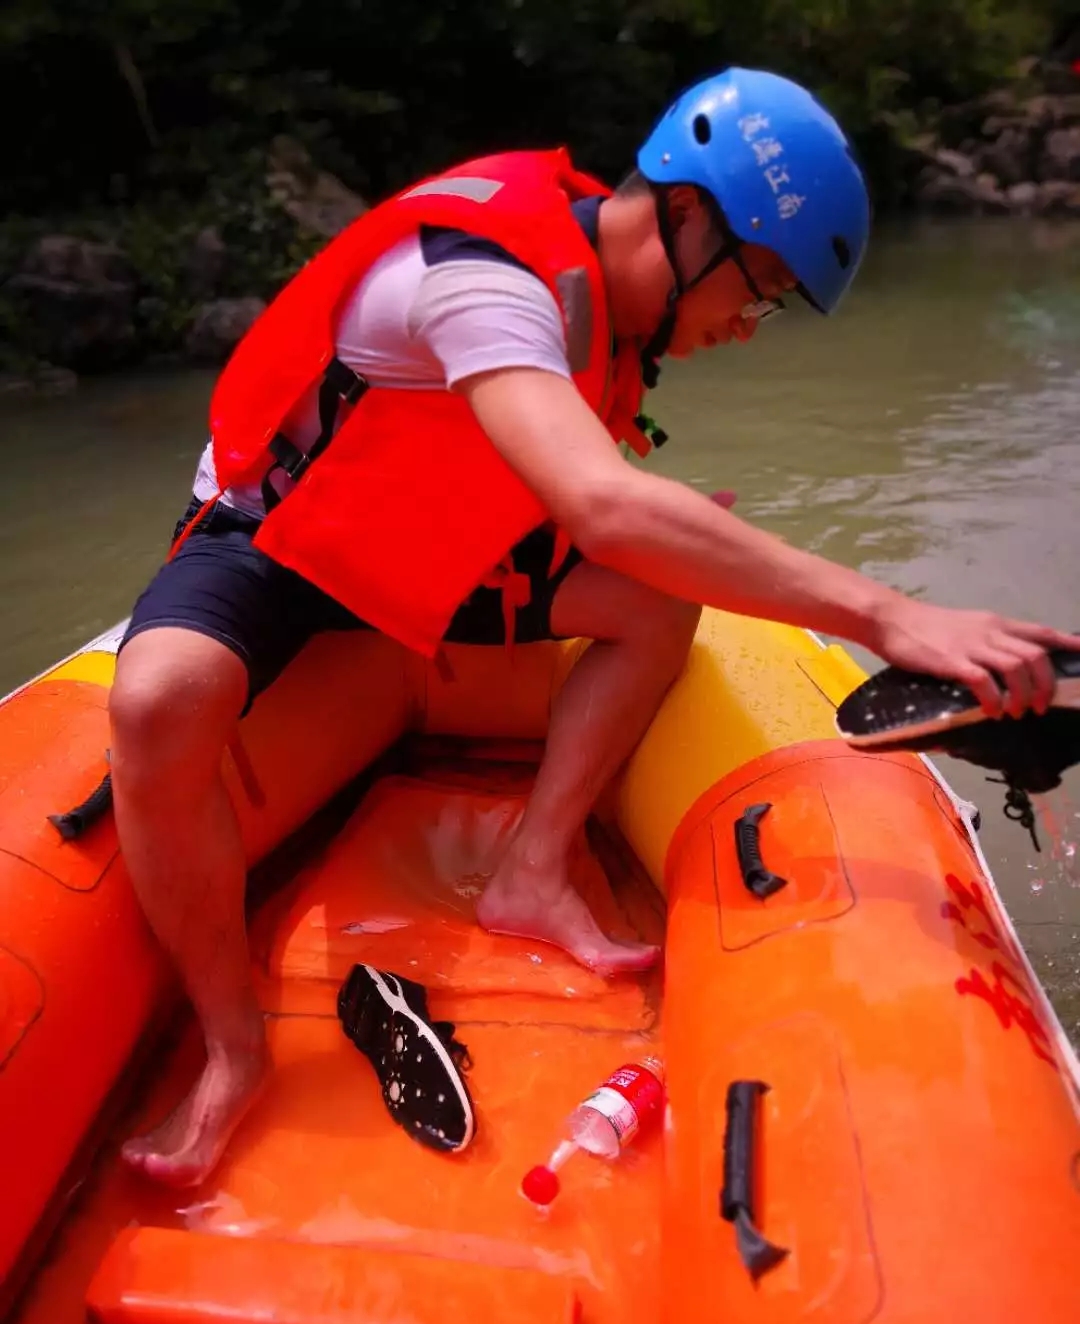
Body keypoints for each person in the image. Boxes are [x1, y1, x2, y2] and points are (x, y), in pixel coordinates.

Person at [110, 68, 1080, 1187]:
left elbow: (590, 513)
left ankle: (535, 869)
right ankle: (232, 1047)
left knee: (659, 596)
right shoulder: (483, 279)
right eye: (756, 286)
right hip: (281, 542)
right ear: (683, 213)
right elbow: (601, 501)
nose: (748, 328)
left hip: (432, 549)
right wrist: (893, 614)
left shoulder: (603, 314)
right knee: (157, 698)